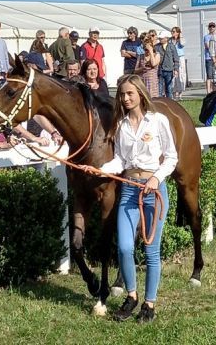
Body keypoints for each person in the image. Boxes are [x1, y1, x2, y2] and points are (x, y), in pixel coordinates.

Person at [81, 74, 178, 323]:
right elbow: (121, 161)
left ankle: (149, 303)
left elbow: (171, 157)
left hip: (153, 191)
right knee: (124, 247)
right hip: (130, 190)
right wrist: (101, 169)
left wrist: (156, 179)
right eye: (122, 94)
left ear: (140, 93)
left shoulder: (158, 121)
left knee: (150, 249)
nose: (125, 98)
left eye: (129, 93)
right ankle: (132, 296)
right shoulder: (121, 125)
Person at [155, 31, 180, 98]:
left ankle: (170, 102)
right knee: (159, 89)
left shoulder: (171, 46)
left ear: (166, 38)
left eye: (162, 38)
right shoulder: (156, 47)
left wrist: (176, 69)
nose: (160, 39)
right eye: (160, 38)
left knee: (169, 89)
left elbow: (176, 59)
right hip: (160, 70)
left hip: (169, 70)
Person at [170, 26, 186, 100]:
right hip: (172, 58)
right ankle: (173, 93)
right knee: (173, 75)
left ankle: (180, 93)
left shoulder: (181, 40)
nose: (172, 33)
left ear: (177, 32)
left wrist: (180, 36)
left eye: (174, 31)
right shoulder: (170, 40)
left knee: (181, 75)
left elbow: (182, 44)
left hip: (180, 57)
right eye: (172, 31)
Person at [204, 22, 216, 93]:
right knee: (209, 76)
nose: (212, 28)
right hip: (208, 58)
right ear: (208, 28)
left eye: (213, 27)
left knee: (215, 75)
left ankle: (214, 91)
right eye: (210, 27)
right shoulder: (206, 37)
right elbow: (207, 46)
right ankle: (208, 92)